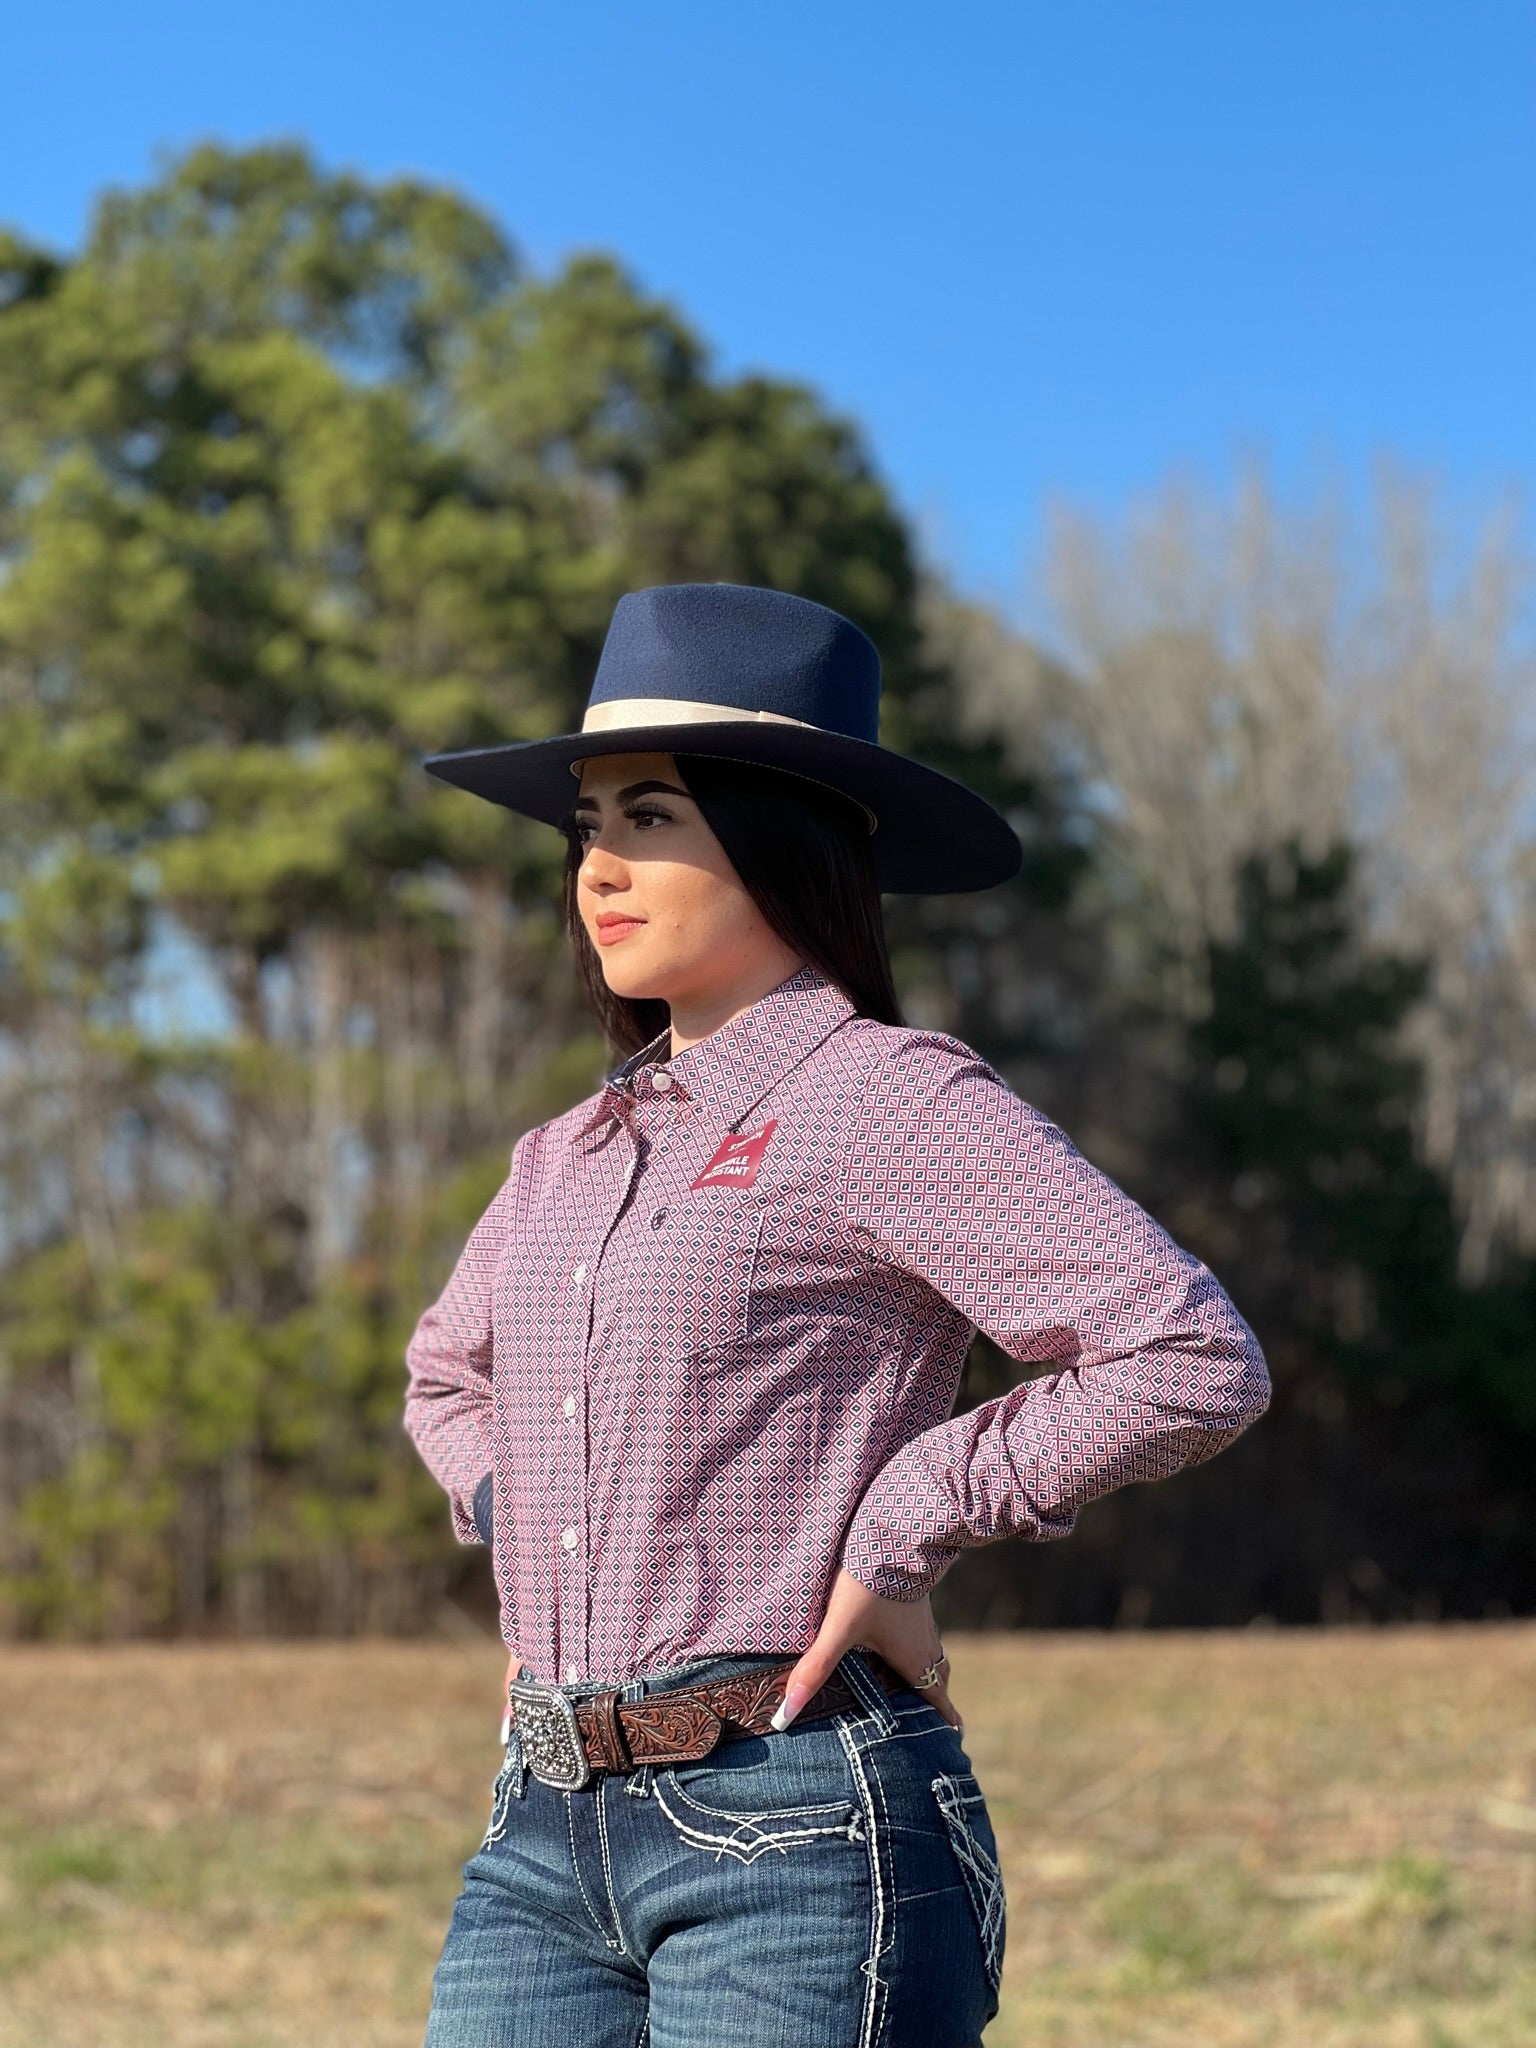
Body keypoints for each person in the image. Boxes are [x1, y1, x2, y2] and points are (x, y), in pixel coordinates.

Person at [403, 582, 1270, 2048]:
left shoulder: (885, 1099)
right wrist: (528, 1501)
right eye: (588, 824)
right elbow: (445, 1376)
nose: (598, 867)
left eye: (653, 817)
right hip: (538, 1833)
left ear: (787, 838)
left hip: (797, 1825)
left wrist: (908, 1516)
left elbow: (1188, 1358)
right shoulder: (564, 1154)